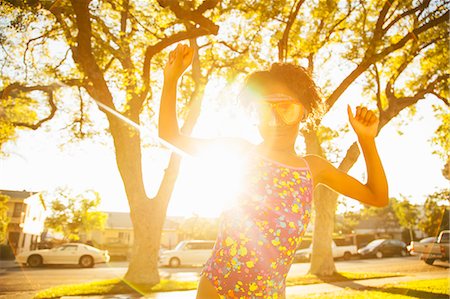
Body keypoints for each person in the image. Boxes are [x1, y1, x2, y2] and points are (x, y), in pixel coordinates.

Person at [159, 44, 388, 299]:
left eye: (286, 108)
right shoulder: (239, 151)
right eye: (266, 110)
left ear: (303, 112)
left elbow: (377, 197)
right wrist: (171, 80)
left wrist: (367, 140)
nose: (276, 120)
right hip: (218, 291)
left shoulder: (312, 168)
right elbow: (170, 136)